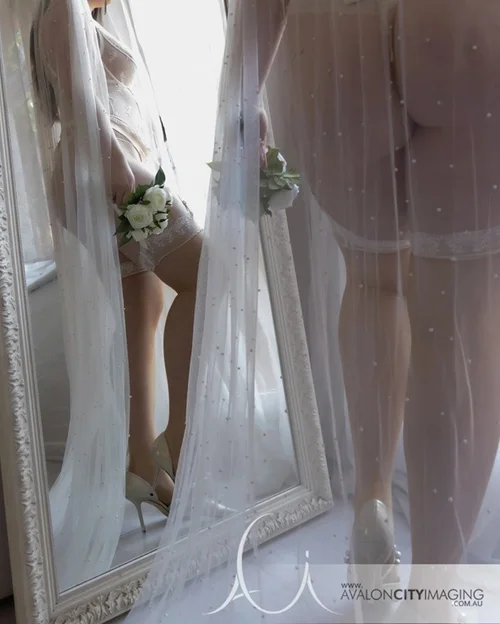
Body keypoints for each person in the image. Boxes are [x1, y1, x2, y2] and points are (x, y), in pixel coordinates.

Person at [256, 1, 500, 621]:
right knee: (460, 321)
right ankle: (433, 601)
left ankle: (371, 506)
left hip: (332, 41)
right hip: (461, 30)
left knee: (371, 282)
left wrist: (242, 99)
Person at [31, 0, 203, 531]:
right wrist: (119, 169)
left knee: (140, 307)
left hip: (100, 167)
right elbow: (82, 102)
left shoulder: (84, 13)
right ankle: (178, 440)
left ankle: (141, 465)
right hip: (104, 167)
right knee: (206, 274)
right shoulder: (62, 8)